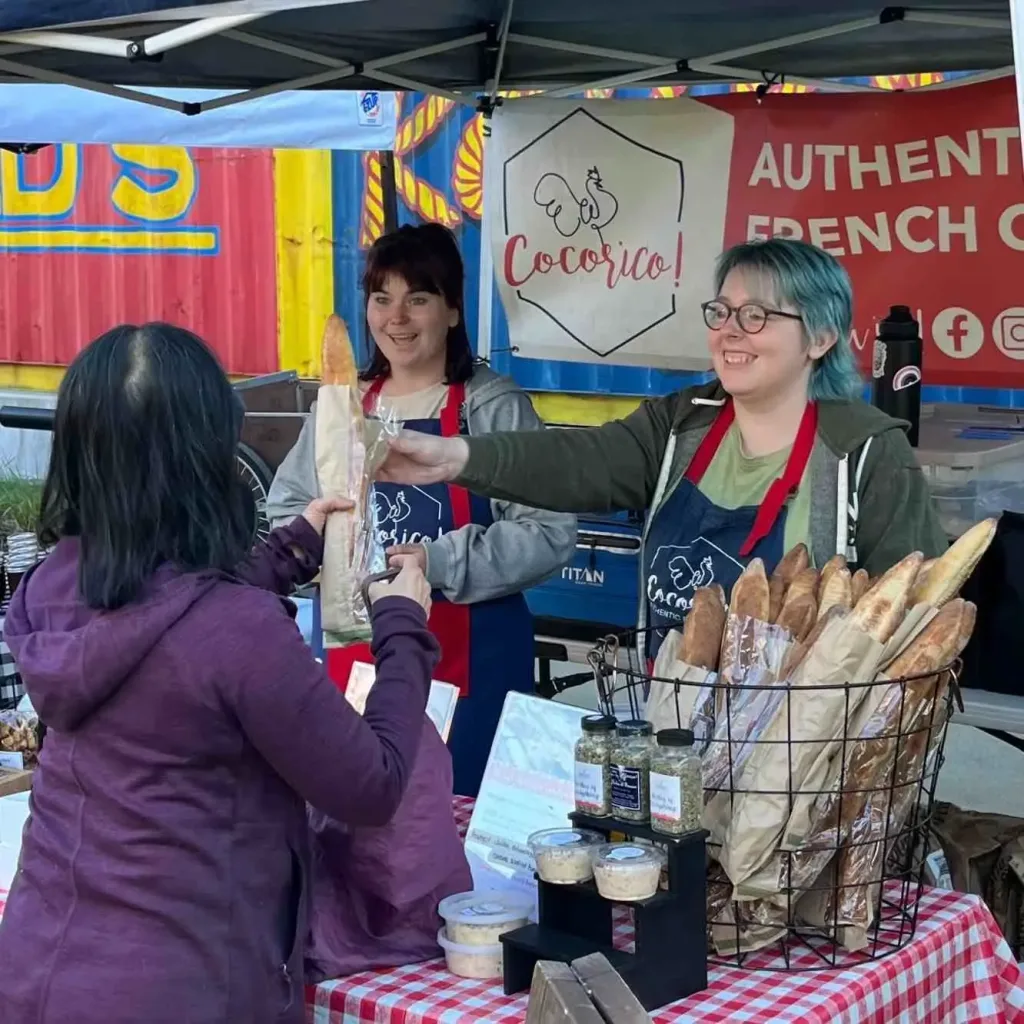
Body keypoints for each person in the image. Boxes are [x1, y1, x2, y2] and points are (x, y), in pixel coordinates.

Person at [0, 323, 438, 1024]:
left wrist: (291, 553)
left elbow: (161, 607)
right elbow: (372, 784)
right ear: (206, 458)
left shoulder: (52, 587)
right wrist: (404, 628)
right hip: (183, 990)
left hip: (37, 971)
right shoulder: (239, 633)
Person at [376, 237, 948, 659]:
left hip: (799, 758)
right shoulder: (681, 424)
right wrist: (457, 458)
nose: (729, 330)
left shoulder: (867, 454)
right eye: (721, 311)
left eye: (756, 315)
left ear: (821, 338)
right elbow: (582, 462)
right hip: (670, 730)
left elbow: (915, 621)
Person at [267, 222, 576, 796]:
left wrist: (439, 561)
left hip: (474, 665)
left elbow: (550, 531)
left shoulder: (491, 408)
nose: (396, 318)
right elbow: (286, 505)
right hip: (359, 663)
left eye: (418, 299)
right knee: (358, 823)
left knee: (458, 830)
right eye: (381, 299)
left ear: (454, 311)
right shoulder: (343, 407)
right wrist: (324, 541)